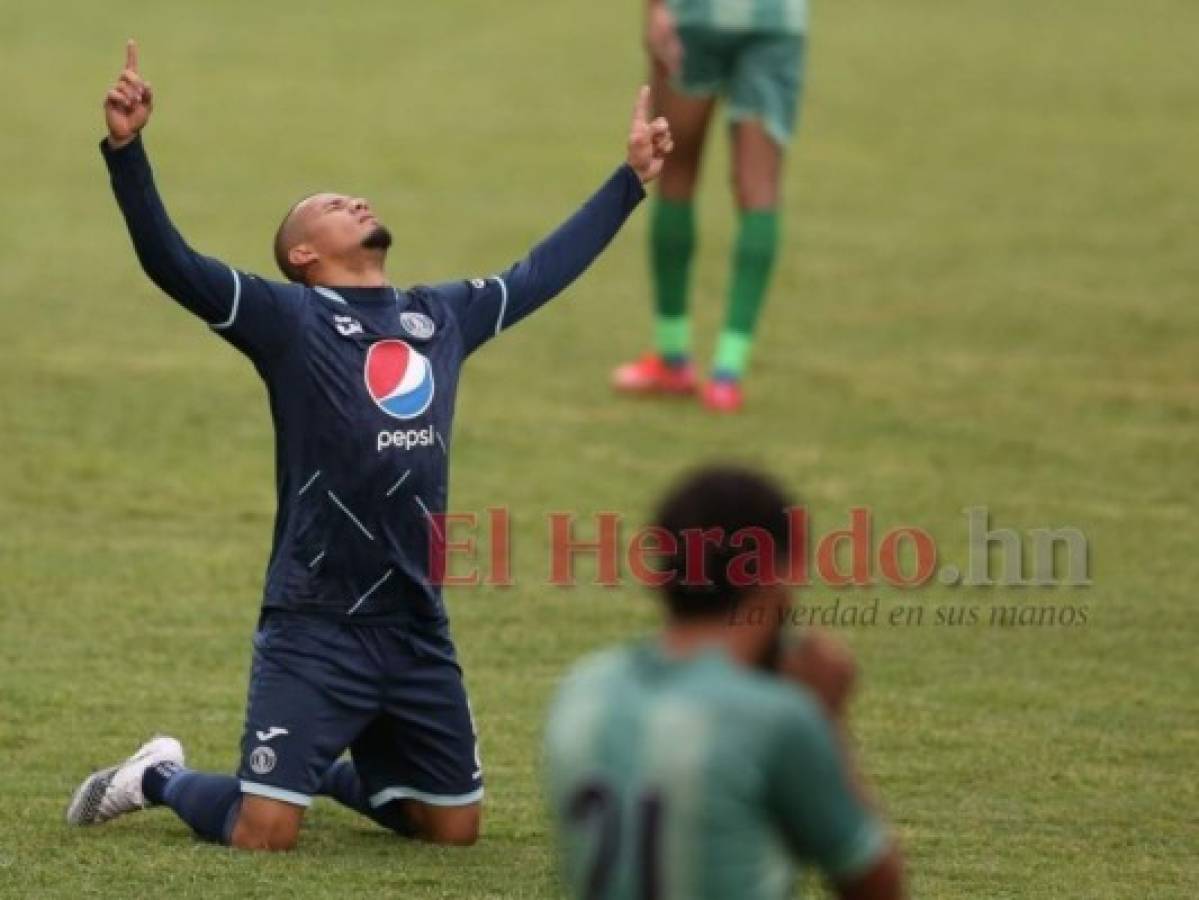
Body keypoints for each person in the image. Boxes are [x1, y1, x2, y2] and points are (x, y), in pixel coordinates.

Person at [66, 40, 673, 851]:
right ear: (302, 256)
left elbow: (539, 272)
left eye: (350, 196)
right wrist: (126, 151)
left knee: (450, 830)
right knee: (263, 832)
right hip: (315, 618)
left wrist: (628, 180)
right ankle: (157, 777)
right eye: (327, 205)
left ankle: (305, 763)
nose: (352, 198)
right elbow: (170, 263)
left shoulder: (439, 316)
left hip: (416, 617)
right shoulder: (286, 321)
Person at [545, 466, 905, 898]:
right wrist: (828, 720)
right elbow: (873, 883)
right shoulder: (775, 718)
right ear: (778, 572)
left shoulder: (585, 690)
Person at [612, 0, 808, 413]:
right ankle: (727, 375)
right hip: (777, 19)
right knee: (759, 186)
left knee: (676, 172)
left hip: (699, 14)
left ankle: (673, 358)